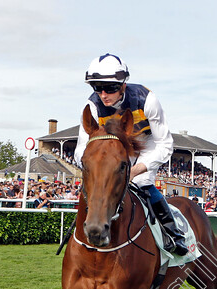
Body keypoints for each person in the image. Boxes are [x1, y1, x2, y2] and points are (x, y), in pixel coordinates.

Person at [74, 53, 189, 256]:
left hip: (146, 144)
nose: (103, 94)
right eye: (97, 88)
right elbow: (80, 150)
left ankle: (172, 233)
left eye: (109, 88)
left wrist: (135, 170)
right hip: (112, 150)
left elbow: (165, 144)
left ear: (123, 85)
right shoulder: (92, 106)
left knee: (142, 181)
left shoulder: (147, 100)